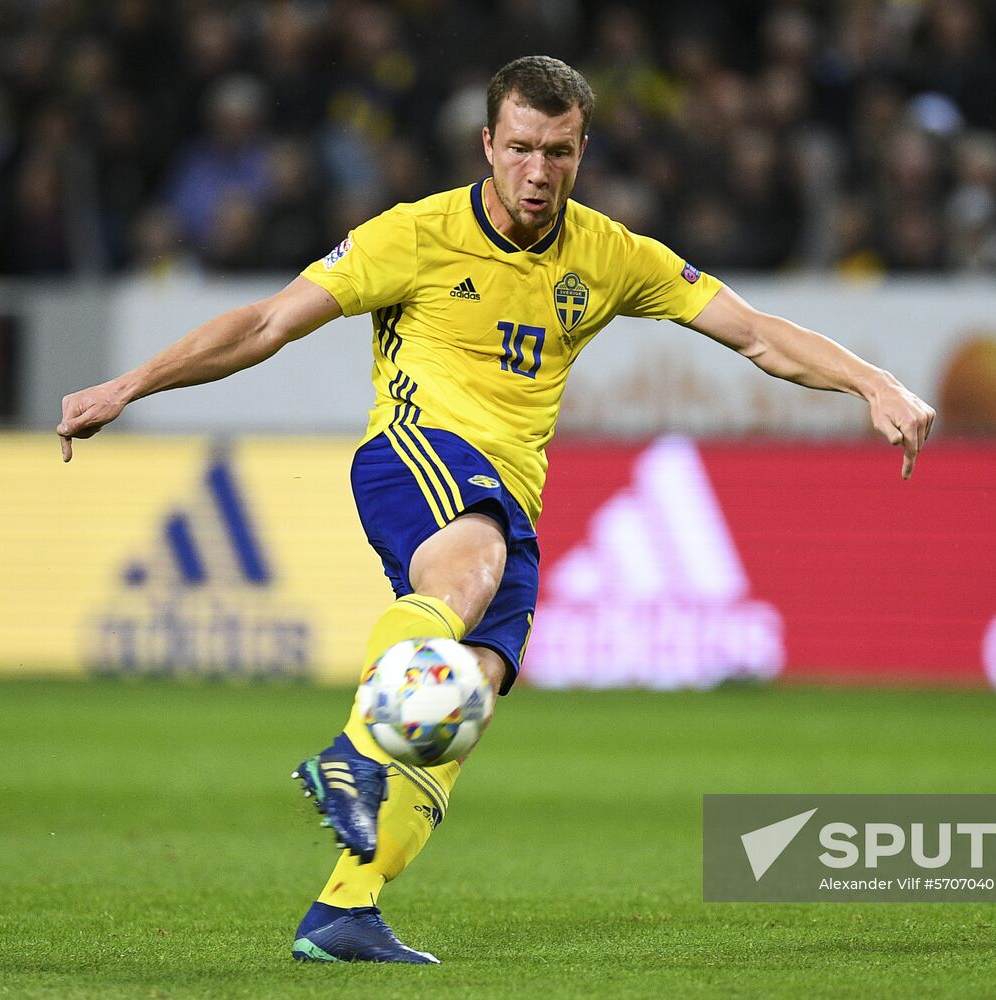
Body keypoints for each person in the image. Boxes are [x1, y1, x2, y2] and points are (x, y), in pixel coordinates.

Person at [56, 56, 935, 965]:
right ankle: (353, 753)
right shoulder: (414, 234)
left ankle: (344, 910)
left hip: (512, 495)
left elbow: (754, 333)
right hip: (415, 451)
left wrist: (872, 382)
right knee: (468, 567)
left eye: (558, 152)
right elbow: (267, 323)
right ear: (486, 144)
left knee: (462, 703)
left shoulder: (611, 254)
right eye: (519, 148)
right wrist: (130, 385)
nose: (537, 171)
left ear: (582, 152)